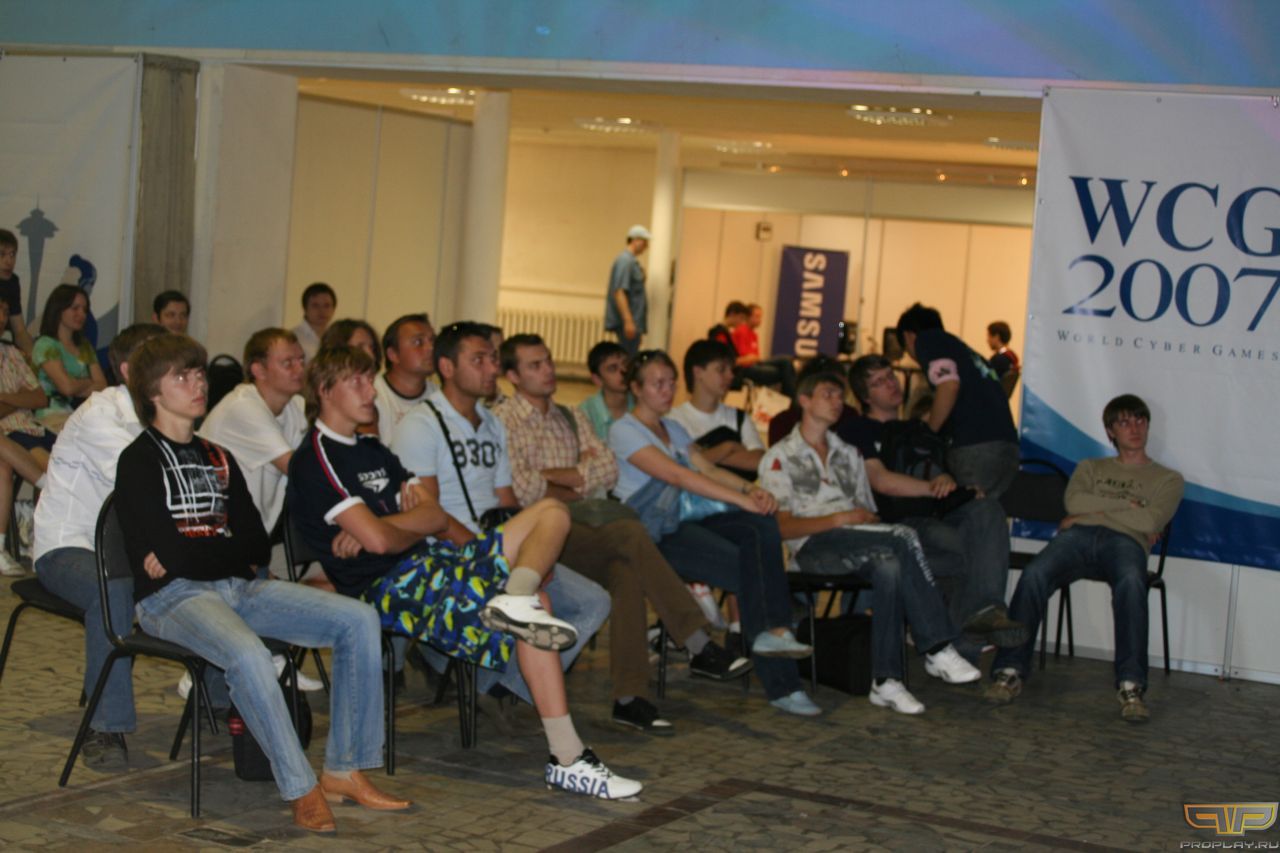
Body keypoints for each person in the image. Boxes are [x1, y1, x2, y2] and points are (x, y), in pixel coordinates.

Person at [290, 345, 642, 799]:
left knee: (553, 512)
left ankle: (517, 596)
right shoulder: (316, 458)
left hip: (433, 561)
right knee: (541, 606)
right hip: (388, 586)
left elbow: (433, 515)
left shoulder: (373, 449)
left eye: (368, 379)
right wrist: (397, 527)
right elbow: (380, 543)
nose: (370, 391)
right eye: (356, 381)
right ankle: (568, 758)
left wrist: (389, 524)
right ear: (324, 391)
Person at [116, 334, 406, 832]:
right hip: (172, 598)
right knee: (249, 654)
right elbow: (185, 556)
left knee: (358, 618)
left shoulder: (218, 456)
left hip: (238, 587)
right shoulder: (139, 460)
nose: (198, 383)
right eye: (182, 376)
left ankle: (344, 769)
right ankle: (300, 787)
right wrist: (209, 547)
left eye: (199, 373)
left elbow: (253, 543)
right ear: (152, 392)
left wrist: (190, 551)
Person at [494, 334, 751, 733]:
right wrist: (578, 477)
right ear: (512, 376)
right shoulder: (503, 420)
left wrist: (558, 480)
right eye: (535, 365)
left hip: (584, 526)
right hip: (536, 537)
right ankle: (697, 645)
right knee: (630, 536)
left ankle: (630, 699)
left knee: (626, 570)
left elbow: (607, 470)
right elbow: (523, 488)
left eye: (548, 361)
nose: (548, 370)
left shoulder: (572, 416)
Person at [388, 322, 613, 726]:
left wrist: (530, 556)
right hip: (447, 553)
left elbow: (506, 502)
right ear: (447, 367)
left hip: (495, 545)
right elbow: (430, 517)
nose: (492, 368)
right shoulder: (421, 425)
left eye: (493, 359)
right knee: (539, 596)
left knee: (594, 601)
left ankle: (498, 685)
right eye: (479, 360)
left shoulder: (492, 424)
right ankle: (470, 664)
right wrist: (493, 554)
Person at [608, 349, 821, 717]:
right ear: (636, 389)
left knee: (761, 526)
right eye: (658, 383)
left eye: (671, 382)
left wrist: (749, 490)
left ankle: (773, 637)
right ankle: (782, 678)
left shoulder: (673, 429)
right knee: (752, 567)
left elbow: (706, 469)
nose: (667, 389)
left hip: (686, 518)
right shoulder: (623, 430)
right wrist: (740, 499)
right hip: (654, 534)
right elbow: (678, 475)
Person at [758, 368, 983, 715]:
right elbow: (782, 528)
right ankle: (937, 645)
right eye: (827, 394)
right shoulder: (779, 457)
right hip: (812, 547)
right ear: (804, 400)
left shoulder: (848, 453)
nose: (837, 402)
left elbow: (867, 512)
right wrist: (840, 519)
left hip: (853, 539)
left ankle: (886, 680)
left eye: (839, 395)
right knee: (904, 535)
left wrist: (858, 519)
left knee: (888, 567)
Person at [985, 394, 1183, 723]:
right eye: (1124, 422)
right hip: (1078, 537)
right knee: (1034, 574)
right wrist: (1128, 507)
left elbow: (1150, 520)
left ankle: (1131, 685)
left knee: (1132, 582)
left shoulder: (1168, 479)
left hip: (1125, 542)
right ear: (1111, 432)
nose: (1134, 428)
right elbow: (1074, 503)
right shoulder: (1091, 467)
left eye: (1140, 420)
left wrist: (1095, 513)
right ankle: (1009, 670)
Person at [32, 324, 167, 766]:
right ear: (128, 370)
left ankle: (224, 701)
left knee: (215, 566)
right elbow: (151, 488)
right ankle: (104, 724)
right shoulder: (101, 415)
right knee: (114, 588)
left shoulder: (166, 415)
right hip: (68, 547)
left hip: (127, 550)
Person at [846, 354, 1026, 652]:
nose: (891, 384)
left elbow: (937, 474)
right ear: (865, 396)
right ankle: (962, 632)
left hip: (935, 514)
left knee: (987, 509)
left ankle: (986, 611)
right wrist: (934, 488)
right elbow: (881, 481)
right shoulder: (858, 429)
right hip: (893, 522)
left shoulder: (918, 429)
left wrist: (961, 489)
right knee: (969, 548)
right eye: (879, 382)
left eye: (890, 376)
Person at [895, 302, 1019, 498]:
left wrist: (928, 435)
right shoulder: (963, 351)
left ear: (908, 336)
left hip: (976, 447)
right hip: (1007, 448)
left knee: (965, 510)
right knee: (986, 511)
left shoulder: (928, 341)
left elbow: (949, 385)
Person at [0, 296, 54, 576]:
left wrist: (7, 398)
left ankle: (41, 543)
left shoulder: (11, 352)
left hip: (28, 425)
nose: (2, 318)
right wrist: (20, 398)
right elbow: (28, 398)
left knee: (61, 461)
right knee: (44, 470)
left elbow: (40, 397)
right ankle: (47, 484)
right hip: (10, 431)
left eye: (5, 311)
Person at [669, 339, 764, 480]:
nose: (730, 376)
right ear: (698, 372)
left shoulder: (739, 417)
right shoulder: (672, 419)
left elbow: (760, 462)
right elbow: (675, 467)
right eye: (721, 370)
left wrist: (703, 456)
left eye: (731, 370)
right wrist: (728, 447)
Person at [32, 284, 108, 420]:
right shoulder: (45, 345)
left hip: (81, 413)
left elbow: (102, 387)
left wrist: (75, 385)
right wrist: (88, 382)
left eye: (84, 310)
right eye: (75, 308)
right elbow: (66, 387)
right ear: (58, 309)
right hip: (51, 414)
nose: (82, 314)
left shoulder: (85, 346)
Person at [374, 313, 437, 439]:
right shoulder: (372, 394)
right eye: (418, 342)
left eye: (433, 341)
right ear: (393, 354)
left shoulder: (440, 398)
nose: (431, 348)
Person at [730, 303, 797, 398]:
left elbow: (755, 357)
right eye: (757, 317)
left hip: (756, 363)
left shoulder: (754, 334)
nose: (759, 320)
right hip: (746, 368)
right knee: (785, 368)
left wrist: (754, 358)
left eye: (760, 317)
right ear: (748, 317)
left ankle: (790, 398)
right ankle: (792, 399)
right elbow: (745, 357)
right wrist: (753, 358)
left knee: (786, 363)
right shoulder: (741, 331)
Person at [604, 225, 650, 357]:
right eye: (644, 241)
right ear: (635, 240)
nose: (647, 246)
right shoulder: (625, 261)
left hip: (633, 321)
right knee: (628, 358)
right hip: (629, 321)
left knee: (631, 355)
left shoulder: (632, 262)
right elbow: (619, 292)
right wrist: (628, 321)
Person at [579, 341, 632, 442]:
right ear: (597, 380)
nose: (623, 371)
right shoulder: (585, 415)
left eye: (626, 364)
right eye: (613, 368)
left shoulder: (643, 403)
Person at [0, 229, 35, 356]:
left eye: (12, 255)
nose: (9, 261)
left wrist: (36, 360)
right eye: (2, 254)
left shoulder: (12, 283)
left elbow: (19, 332)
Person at [292, 282, 336, 362]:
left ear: (333, 309)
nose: (322, 311)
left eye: (327, 306)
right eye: (315, 305)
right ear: (305, 308)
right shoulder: (294, 337)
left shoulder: (337, 338)